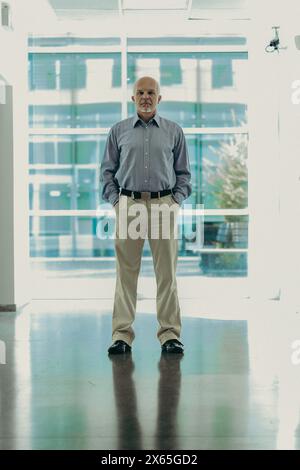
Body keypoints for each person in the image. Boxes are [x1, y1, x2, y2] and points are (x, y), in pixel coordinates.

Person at [100, 76, 191, 355]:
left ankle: (170, 335)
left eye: (151, 92)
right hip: (129, 205)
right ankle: (121, 336)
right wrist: (117, 202)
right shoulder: (118, 131)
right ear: (133, 98)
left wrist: (175, 200)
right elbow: (106, 173)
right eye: (140, 92)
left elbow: (184, 175)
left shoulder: (174, 132)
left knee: (167, 275)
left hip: (164, 204)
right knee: (126, 275)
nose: (146, 97)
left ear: (159, 98)